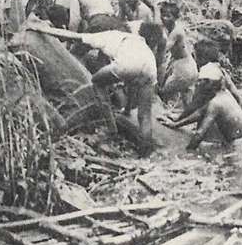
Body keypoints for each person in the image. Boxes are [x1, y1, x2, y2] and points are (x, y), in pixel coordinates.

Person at [30, 22, 162, 155]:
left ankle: (111, 128)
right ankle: (146, 153)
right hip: (150, 67)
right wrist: (127, 110)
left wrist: (43, 29)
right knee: (145, 115)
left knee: (97, 82)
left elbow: (74, 36)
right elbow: (134, 85)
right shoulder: (144, 47)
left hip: (127, 65)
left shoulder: (111, 35)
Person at [171, 63, 242, 151]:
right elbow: (199, 113)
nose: (198, 83)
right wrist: (176, 123)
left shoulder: (215, 103)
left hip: (237, 146)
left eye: (201, 81)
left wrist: (188, 151)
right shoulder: (225, 94)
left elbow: (200, 134)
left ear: (209, 83)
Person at [157, 1, 198, 108]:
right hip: (185, 66)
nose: (164, 18)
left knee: (162, 92)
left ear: (175, 18)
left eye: (168, 16)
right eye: (163, 15)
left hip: (184, 68)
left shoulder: (176, 32)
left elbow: (164, 49)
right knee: (187, 100)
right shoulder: (169, 29)